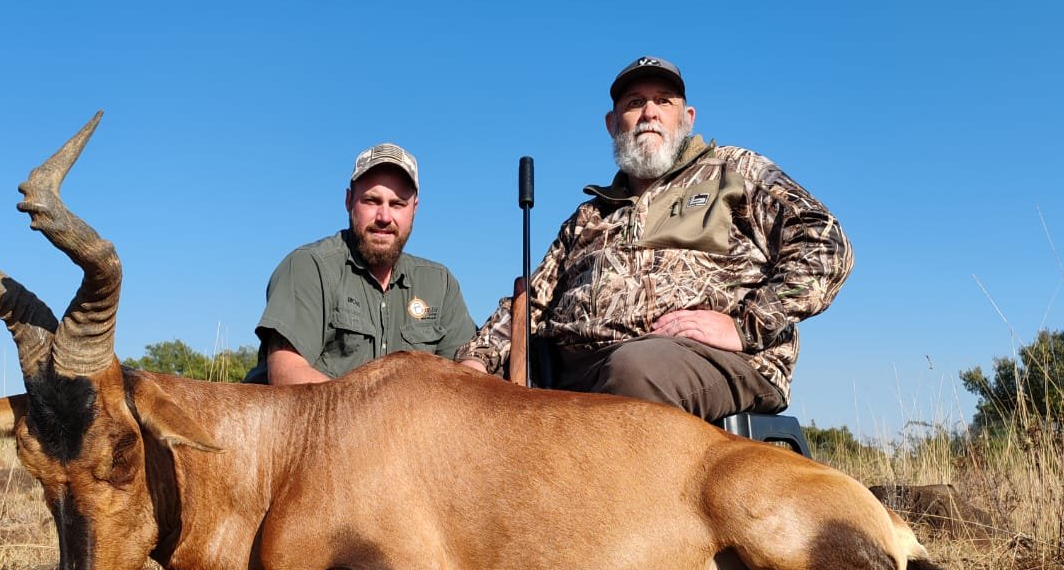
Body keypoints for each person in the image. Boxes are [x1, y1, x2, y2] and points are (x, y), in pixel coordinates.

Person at [456, 56, 852, 421]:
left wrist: (744, 326)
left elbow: (825, 244)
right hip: (574, 366)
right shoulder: (588, 217)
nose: (649, 113)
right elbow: (532, 300)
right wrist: (474, 363)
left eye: (664, 101)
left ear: (688, 117)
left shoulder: (733, 171)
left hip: (702, 358)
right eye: (634, 103)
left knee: (634, 371)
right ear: (612, 123)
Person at [248, 142, 476, 385]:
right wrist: (382, 418)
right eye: (371, 201)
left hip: (412, 423)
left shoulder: (440, 284)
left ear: (414, 209)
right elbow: (287, 373)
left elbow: (469, 374)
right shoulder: (310, 266)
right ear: (349, 200)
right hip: (312, 422)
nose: (384, 217)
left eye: (397, 204)